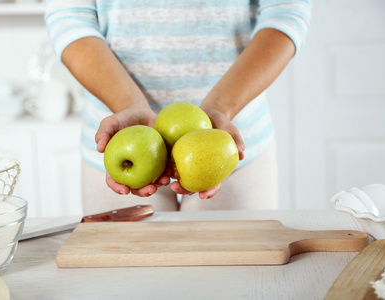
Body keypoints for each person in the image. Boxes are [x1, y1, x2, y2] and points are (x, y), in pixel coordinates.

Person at [44, 0, 311, 214]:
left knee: (233, 277)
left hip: (231, 141)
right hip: (121, 135)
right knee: (129, 279)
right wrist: (127, 104)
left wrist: (221, 107)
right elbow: (70, 17)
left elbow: (286, 11)